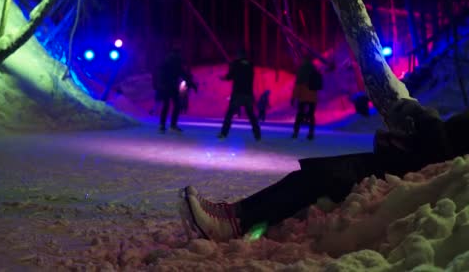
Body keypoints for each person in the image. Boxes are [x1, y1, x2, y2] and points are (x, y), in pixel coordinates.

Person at [179, 100, 469, 242]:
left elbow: (444, 152)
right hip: (406, 167)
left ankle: (233, 224)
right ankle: (236, 213)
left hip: (415, 182)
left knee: (318, 179)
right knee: (313, 175)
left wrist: (425, 118)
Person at [217, 49, 261, 141]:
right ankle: (257, 134)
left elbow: (230, 76)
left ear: (239, 55)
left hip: (238, 93)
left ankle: (224, 133)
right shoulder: (250, 64)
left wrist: (225, 76)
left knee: (230, 114)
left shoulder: (236, 64)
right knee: (251, 115)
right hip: (248, 94)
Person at [157, 47, 197, 133]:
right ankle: (166, 125)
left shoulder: (171, 62)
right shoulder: (169, 62)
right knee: (169, 105)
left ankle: (167, 125)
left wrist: (191, 83)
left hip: (170, 86)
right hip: (168, 86)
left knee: (171, 105)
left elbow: (183, 74)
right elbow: (183, 74)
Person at [291, 56, 323, 140]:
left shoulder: (302, 70)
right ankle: (311, 132)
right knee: (311, 115)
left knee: (300, 114)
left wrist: (294, 97)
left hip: (303, 96)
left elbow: (298, 85)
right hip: (313, 96)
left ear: (304, 60)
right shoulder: (314, 69)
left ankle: (296, 132)